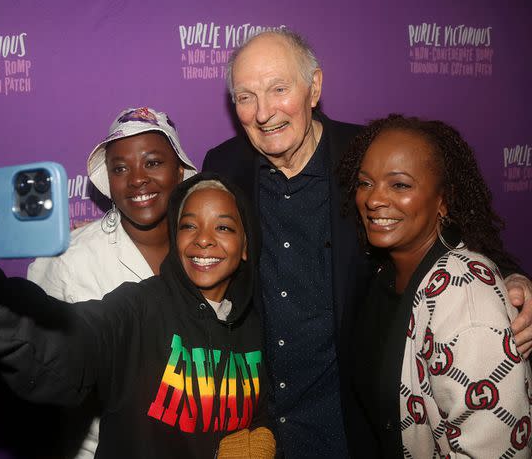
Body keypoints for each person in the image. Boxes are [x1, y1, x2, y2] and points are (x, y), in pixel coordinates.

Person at [202, 28, 532, 457]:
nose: (263, 113)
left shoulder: (366, 156)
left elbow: (450, 220)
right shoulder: (222, 165)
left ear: (314, 87)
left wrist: (512, 277)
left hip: (355, 423)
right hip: (264, 428)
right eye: (245, 97)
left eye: (278, 89)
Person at [0, 169, 273, 459]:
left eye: (223, 227)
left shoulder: (262, 323)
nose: (203, 238)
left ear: (245, 246)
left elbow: (284, 401)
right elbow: (69, 342)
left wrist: (265, 432)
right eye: (188, 225)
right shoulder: (139, 308)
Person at [338, 114, 532, 457]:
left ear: (444, 200)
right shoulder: (386, 272)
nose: (373, 199)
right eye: (365, 183)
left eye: (399, 185)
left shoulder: (464, 294)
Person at [28, 107, 197, 458]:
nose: (137, 179)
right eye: (120, 168)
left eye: (152, 163)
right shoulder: (69, 258)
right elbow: (36, 365)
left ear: (180, 171)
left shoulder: (207, 255)